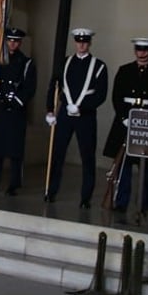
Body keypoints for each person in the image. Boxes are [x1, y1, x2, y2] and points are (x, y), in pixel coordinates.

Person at [45, 28, 109, 207]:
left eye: (85, 41)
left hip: (86, 117)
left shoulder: (99, 66)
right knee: (57, 154)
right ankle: (51, 191)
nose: (81, 44)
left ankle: (85, 198)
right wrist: (50, 110)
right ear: (75, 42)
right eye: (79, 41)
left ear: (89, 43)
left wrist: (82, 106)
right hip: (65, 114)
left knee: (87, 157)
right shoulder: (65, 62)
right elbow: (54, 86)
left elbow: (101, 95)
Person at [102, 37, 148, 215]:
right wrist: (123, 117)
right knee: (124, 166)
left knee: (146, 168)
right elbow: (116, 96)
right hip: (125, 120)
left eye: (145, 50)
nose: (142, 53)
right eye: (139, 50)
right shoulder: (125, 70)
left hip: (147, 123)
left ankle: (143, 206)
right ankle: (121, 203)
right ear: (135, 51)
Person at [0, 27, 37, 195]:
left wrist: (15, 101)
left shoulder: (26, 62)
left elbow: (29, 87)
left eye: (15, 41)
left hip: (15, 110)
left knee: (15, 150)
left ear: (20, 43)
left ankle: (14, 184)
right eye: (10, 40)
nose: (12, 44)